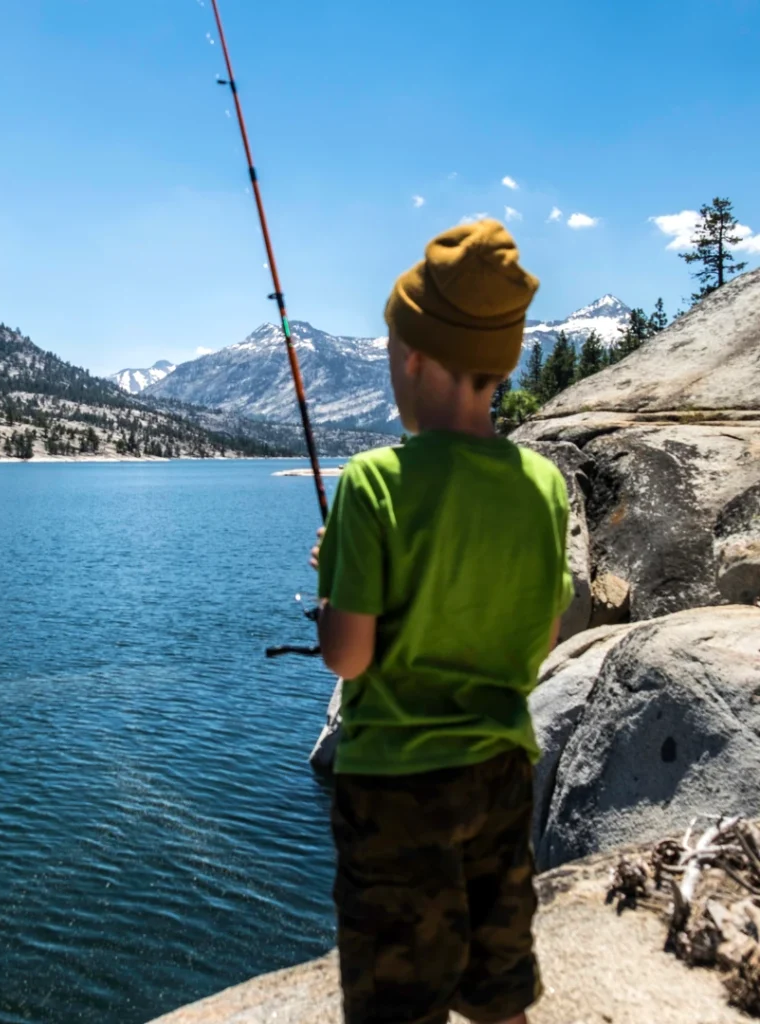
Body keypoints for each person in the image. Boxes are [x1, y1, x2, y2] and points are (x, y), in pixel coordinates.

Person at [311, 219, 573, 1024]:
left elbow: (349, 659)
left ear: (414, 356)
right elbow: (545, 639)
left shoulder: (373, 482)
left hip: (395, 791)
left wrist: (331, 585)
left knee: (398, 1003)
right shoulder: (545, 484)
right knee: (499, 989)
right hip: (500, 773)